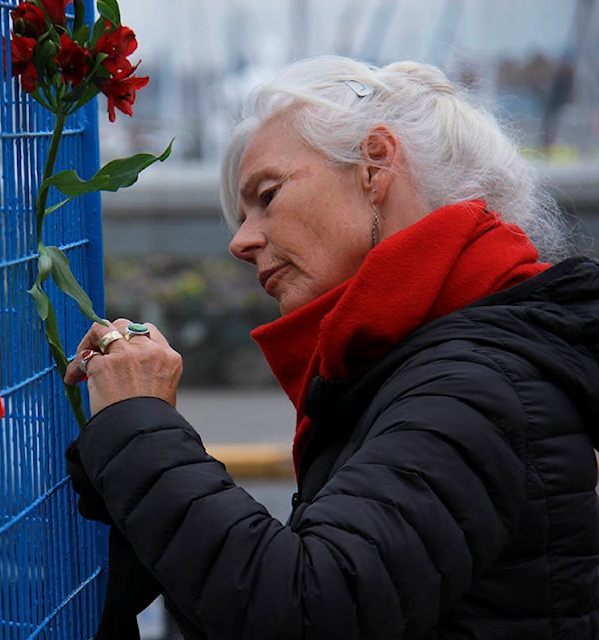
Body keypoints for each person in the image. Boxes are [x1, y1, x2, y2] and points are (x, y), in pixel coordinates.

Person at [63, 54, 599, 639]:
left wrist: (140, 431)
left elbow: (307, 607)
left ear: (375, 165)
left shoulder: (476, 383)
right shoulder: (433, 364)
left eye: (267, 195)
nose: (242, 242)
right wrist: (132, 480)